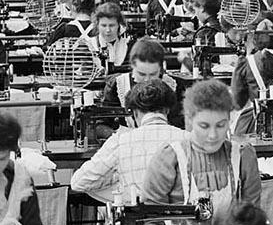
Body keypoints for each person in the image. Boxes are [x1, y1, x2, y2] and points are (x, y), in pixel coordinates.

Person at [140, 79, 262, 225]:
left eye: (220, 125)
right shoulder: (169, 158)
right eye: (204, 126)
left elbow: (253, 216)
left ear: (230, 120)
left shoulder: (243, 156)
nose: (213, 135)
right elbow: (147, 223)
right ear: (190, 121)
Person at [71, 79, 189, 208]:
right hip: (184, 220)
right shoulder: (188, 139)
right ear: (167, 110)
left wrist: (120, 180)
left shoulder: (121, 141)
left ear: (134, 112)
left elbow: (79, 183)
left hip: (137, 219)